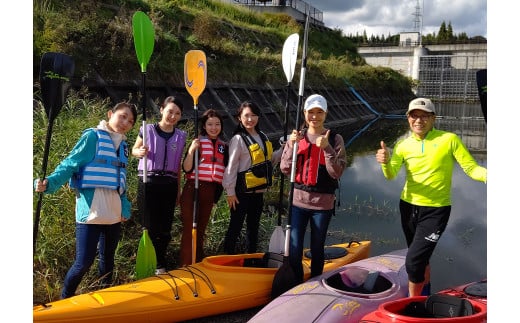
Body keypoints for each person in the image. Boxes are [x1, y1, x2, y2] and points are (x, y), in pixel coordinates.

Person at [375, 97, 487, 297]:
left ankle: (413, 304)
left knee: (413, 261)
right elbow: (391, 174)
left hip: (436, 210)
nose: (419, 120)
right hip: (408, 207)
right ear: (408, 119)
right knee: (421, 258)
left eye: (424, 116)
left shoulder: (449, 139)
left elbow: (471, 169)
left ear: (433, 118)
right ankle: (425, 292)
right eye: (414, 116)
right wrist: (385, 162)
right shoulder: (402, 145)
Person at [34, 102, 138, 299]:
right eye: (122, 116)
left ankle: (105, 298)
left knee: (108, 260)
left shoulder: (123, 146)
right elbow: (70, 164)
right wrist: (49, 183)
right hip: (91, 212)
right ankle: (65, 299)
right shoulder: (92, 137)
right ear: (110, 114)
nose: (125, 122)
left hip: (114, 215)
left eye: (130, 121)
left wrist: (125, 207)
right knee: (83, 262)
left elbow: (121, 181)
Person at [280, 94, 347, 284]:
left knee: (317, 249)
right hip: (297, 203)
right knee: (294, 249)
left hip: (322, 206)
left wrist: (327, 149)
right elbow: (285, 168)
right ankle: (297, 284)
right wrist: (292, 145)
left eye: (319, 112)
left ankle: (316, 283)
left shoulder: (335, 139)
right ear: (305, 113)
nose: (315, 117)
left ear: (325, 114)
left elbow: (336, 173)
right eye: (311, 112)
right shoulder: (297, 137)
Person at [131, 96, 187, 274]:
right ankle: (148, 262)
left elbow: (178, 166)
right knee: (149, 226)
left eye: (177, 113)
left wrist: (178, 190)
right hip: (148, 182)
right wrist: (139, 152)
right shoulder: (147, 130)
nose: (173, 116)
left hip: (169, 184)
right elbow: (134, 150)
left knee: (165, 228)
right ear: (162, 110)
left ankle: (160, 264)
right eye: (170, 111)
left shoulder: (181, 136)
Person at [222, 101, 283, 254]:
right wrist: (230, 192)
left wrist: (285, 148)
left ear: (258, 117)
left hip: (259, 193)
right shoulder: (238, 139)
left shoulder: (262, 136)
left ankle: (252, 258)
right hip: (241, 194)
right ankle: (226, 258)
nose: (250, 119)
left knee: (253, 229)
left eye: (253, 115)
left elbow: (271, 160)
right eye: (246, 116)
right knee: (235, 227)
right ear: (239, 118)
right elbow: (232, 167)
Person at [179, 109, 228, 266]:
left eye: (217, 124)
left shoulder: (224, 147)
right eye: (210, 124)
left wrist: (215, 198)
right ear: (204, 126)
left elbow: (222, 175)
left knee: (200, 231)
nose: (214, 128)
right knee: (189, 230)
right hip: (193, 189)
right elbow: (186, 168)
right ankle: (186, 265)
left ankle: (198, 263)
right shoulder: (198, 143)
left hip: (210, 192)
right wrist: (192, 150)